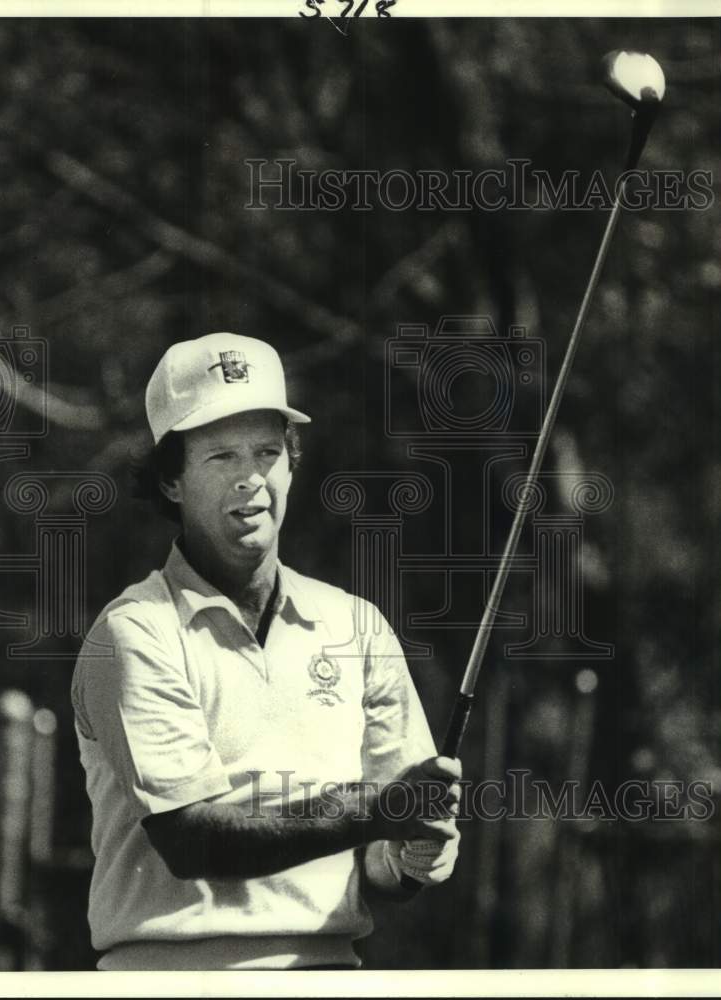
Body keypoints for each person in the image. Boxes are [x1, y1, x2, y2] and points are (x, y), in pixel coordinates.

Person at [71, 332, 462, 971]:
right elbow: (194, 841)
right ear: (171, 481)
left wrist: (414, 852)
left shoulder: (358, 625)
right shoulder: (133, 633)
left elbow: (384, 863)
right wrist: (381, 808)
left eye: (267, 452)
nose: (251, 479)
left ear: (291, 463)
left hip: (333, 972)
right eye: (221, 456)